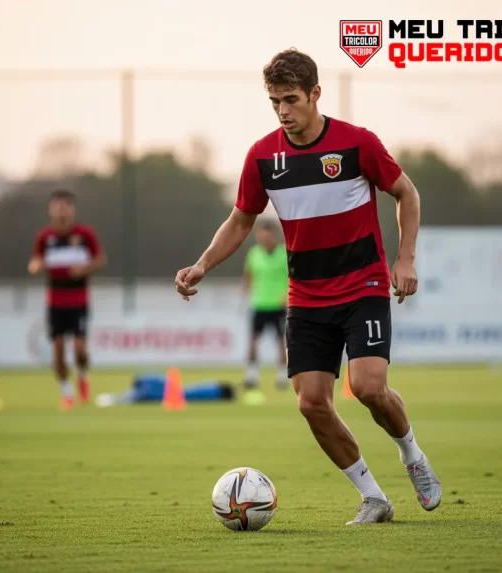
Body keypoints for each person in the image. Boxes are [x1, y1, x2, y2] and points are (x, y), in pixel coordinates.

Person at [174, 49, 441, 525]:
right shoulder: (262, 157)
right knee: (311, 403)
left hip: (364, 285)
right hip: (308, 298)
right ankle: (374, 498)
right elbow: (241, 220)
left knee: (368, 388)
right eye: (274, 100)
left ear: (316, 94)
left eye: (291, 99)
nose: (283, 110)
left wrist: (405, 257)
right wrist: (202, 265)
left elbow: (407, 193)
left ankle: (411, 454)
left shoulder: (357, 143)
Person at [29, 190, 105, 410]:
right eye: (57, 206)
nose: (62, 210)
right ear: (51, 210)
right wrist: (35, 266)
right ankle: (66, 392)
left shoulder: (85, 234)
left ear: (73, 209)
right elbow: (35, 261)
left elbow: (100, 260)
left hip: (79, 299)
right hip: (55, 301)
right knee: (58, 348)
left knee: (80, 350)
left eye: (66, 206)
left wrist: (85, 268)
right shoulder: (45, 237)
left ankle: (82, 374)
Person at [242, 220, 289, 390]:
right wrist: (246, 295)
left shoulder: (284, 254)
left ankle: (282, 377)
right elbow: (248, 275)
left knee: (281, 341)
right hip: (259, 304)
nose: (264, 239)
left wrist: (287, 297)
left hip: (278, 305)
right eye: (261, 235)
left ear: (275, 236)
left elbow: (293, 278)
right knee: (253, 341)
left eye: (267, 235)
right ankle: (251, 376)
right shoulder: (254, 254)